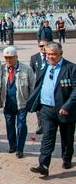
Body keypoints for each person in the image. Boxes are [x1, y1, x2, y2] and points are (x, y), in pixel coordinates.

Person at [27, 42, 76, 177]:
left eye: (54, 54)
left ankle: (67, 158)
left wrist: (67, 106)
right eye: (48, 54)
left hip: (66, 110)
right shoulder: (45, 67)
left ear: (61, 54)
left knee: (67, 138)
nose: (50, 57)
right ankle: (43, 165)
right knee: (47, 137)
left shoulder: (71, 68)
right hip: (47, 109)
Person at [0, 47, 35, 158]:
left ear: (16, 57)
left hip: (22, 102)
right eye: (6, 58)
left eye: (10, 58)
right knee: (9, 125)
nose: (8, 60)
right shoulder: (2, 69)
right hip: (7, 103)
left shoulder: (26, 69)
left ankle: (20, 148)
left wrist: (31, 102)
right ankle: (12, 145)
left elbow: (33, 87)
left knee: (21, 125)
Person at [29, 40, 49, 134]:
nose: (43, 48)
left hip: (49, 86)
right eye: (41, 46)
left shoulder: (51, 56)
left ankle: (48, 123)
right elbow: (31, 72)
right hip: (38, 86)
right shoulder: (34, 58)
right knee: (38, 106)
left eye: (45, 46)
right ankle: (40, 124)